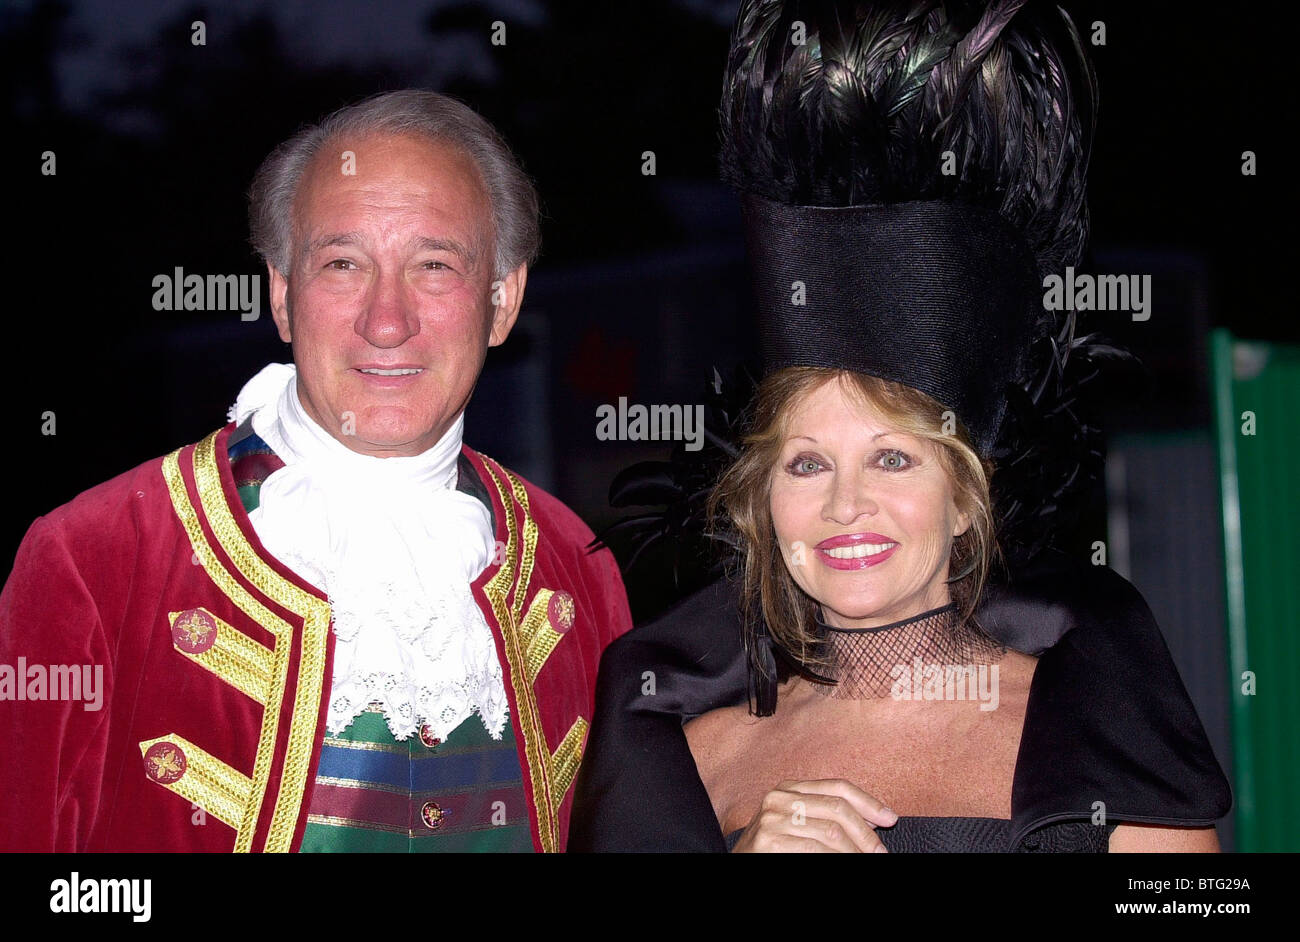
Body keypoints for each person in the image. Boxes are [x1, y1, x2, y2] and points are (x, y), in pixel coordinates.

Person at [570, 0, 1230, 852]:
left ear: (966, 498)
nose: (846, 506)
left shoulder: (1096, 729)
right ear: (758, 500)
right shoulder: (692, 759)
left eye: (891, 458)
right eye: (806, 465)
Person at [0, 89, 632, 853]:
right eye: (342, 263)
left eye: (434, 265)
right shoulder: (93, 559)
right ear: (283, 295)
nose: (387, 321)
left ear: (503, 301)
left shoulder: (575, 565)